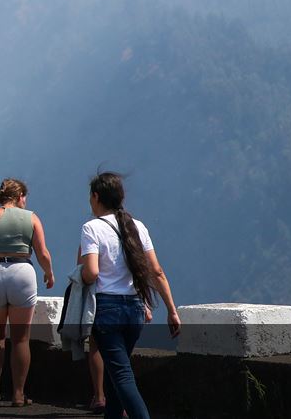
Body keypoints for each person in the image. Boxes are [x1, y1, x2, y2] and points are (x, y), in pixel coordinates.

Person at [79, 172, 181, 419]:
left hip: (107, 310)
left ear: (96, 196)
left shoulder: (91, 227)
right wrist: (171, 310)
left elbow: (92, 273)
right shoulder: (138, 226)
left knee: (122, 375)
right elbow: (155, 271)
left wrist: (79, 275)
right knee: (117, 376)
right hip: (135, 309)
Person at [0, 178, 55, 407]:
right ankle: (18, 394)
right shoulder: (31, 218)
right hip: (22, 271)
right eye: (24, 197)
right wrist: (49, 273)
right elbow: (42, 253)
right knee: (20, 338)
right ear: (19, 197)